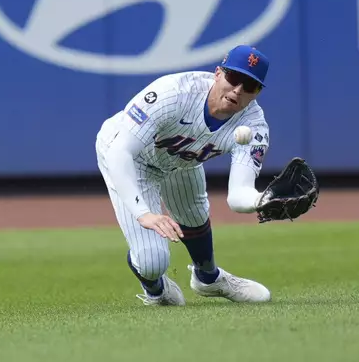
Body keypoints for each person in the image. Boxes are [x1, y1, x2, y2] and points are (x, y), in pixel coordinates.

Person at [95, 44, 273, 306]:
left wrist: (265, 200)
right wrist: (143, 213)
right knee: (152, 261)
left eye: (249, 86)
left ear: (257, 93)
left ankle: (209, 279)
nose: (237, 90)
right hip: (131, 157)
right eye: (234, 78)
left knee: (194, 215)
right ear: (217, 74)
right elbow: (120, 152)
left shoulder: (254, 126)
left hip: (181, 161)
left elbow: (238, 196)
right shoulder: (173, 93)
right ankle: (156, 291)